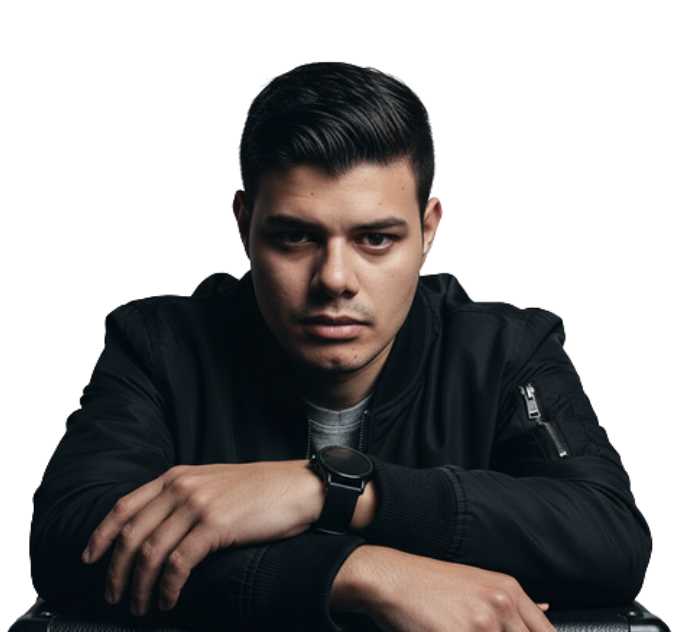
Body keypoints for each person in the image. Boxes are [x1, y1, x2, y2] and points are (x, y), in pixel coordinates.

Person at [31, 62, 652, 632]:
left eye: (375, 239)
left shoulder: (505, 349)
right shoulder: (160, 345)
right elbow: (71, 542)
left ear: (429, 231)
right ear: (244, 226)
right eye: (295, 237)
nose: (334, 279)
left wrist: (321, 490)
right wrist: (360, 574)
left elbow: (606, 535)